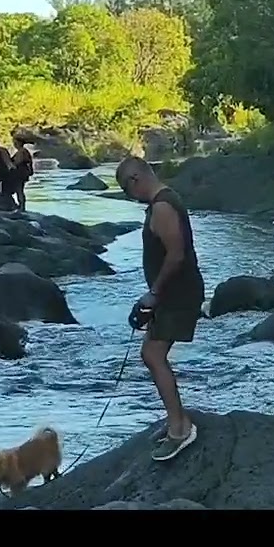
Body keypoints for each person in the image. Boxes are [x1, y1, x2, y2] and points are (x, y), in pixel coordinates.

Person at [116, 155, 205, 462]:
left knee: (152, 355)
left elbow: (177, 254)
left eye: (126, 191)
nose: (129, 197)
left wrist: (153, 294)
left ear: (135, 180)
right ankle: (175, 421)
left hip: (177, 294)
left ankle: (180, 429)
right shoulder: (165, 200)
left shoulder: (163, 206)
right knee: (152, 354)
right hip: (172, 293)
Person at [5, 137, 34, 211]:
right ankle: (22, 206)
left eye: (15, 143)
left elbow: (18, 162)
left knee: (19, 189)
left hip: (20, 173)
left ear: (19, 143)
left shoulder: (21, 152)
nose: (14, 144)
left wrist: (10, 165)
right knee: (20, 189)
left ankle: (21, 207)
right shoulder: (24, 151)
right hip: (23, 173)